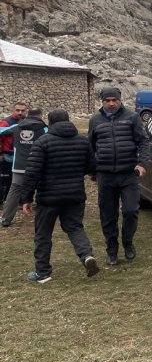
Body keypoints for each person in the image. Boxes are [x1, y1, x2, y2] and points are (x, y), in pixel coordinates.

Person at [21, 109, 99, 283]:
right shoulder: (82, 141)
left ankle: (42, 273)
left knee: (43, 234)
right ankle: (86, 256)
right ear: (68, 121)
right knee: (75, 228)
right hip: (75, 195)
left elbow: (32, 173)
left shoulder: (42, 142)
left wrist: (26, 198)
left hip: (48, 197)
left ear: (49, 123)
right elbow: (91, 166)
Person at [88, 87, 150, 266]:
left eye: (114, 100)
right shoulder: (95, 121)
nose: (111, 103)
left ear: (120, 100)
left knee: (130, 211)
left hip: (128, 174)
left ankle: (128, 242)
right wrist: (93, 170)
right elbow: (90, 147)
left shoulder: (132, 117)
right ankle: (112, 250)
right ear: (102, 101)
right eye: (107, 100)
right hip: (105, 175)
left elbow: (143, 142)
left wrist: (142, 163)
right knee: (108, 215)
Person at [0, 108, 48, 227]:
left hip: (19, 166)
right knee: (43, 188)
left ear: (27, 115)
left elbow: (1, 131)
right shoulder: (44, 129)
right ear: (40, 116)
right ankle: (44, 217)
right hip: (38, 165)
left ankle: (6, 218)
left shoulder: (16, 127)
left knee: (15, 189)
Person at [0, 102, 28, 202]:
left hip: (21, 157)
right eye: (17, 110)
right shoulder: (6, 122)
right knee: (5, 180)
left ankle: (17, 200)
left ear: (26, 111)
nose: (20, 112)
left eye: (22, 110)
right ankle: (2, 200)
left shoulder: (28, 122)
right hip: (7, 155)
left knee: (19, 180)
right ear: (13, 110)